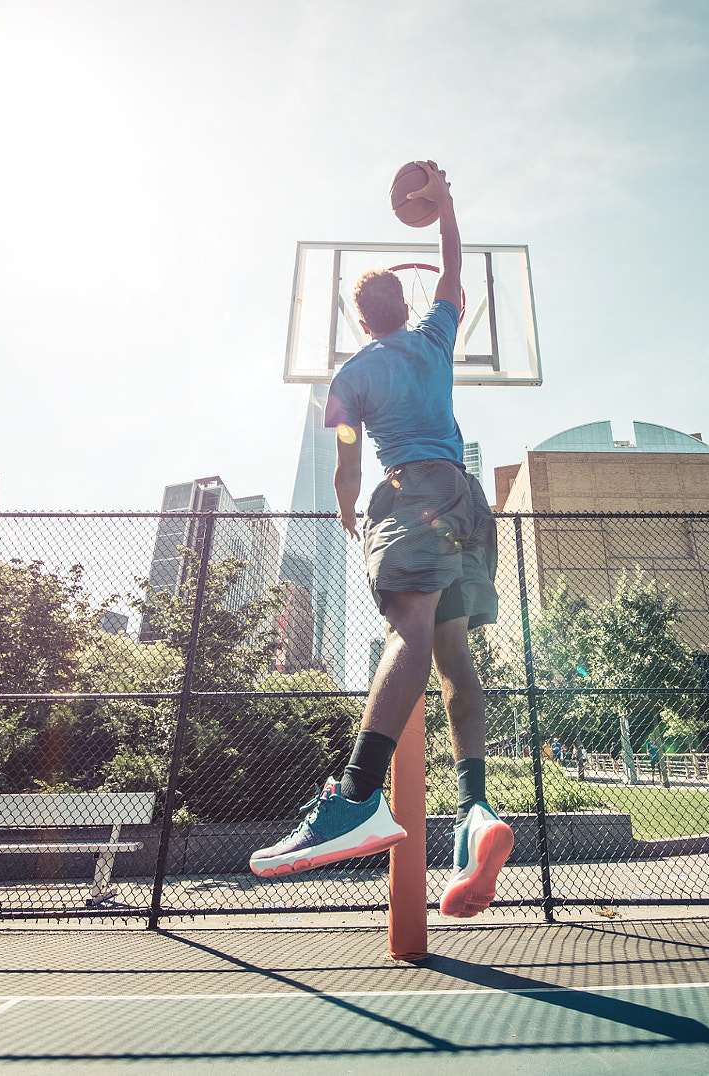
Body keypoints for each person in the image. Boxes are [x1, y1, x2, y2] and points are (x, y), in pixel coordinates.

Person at [250, 163, 513, 919]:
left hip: (410, 495)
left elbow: (346, 461)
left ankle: (359, 795)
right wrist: (449, 206)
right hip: (467, 504)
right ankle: (475, 813)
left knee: (410, 630)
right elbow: (456, 267)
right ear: (408, 302)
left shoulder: (353, 373)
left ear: (363, 319)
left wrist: (345, 511)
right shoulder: (435, 334)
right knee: (456, 657)